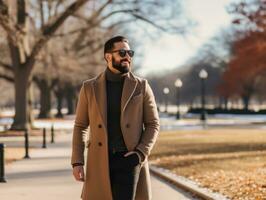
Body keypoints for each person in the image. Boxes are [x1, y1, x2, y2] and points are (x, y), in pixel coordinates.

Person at [71, 35, 160, 200]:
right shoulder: (89, 87)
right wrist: (77, 161)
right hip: (99, 160)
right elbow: (81, 125)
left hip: (129, 159)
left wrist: (140, 153)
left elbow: (153, 124)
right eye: (122, 52)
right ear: (108, 56)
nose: (127, 56)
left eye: (130, 53)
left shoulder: (141, 86)